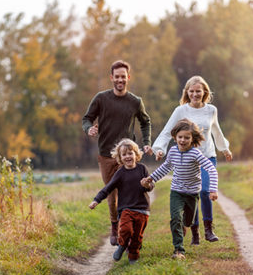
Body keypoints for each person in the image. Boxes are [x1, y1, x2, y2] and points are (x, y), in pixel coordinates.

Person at [152, 76, 232, 245]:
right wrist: (159, 149)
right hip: (188, 158)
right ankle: (195, 232)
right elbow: (168, 131)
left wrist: (224, 148)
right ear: (187, 92)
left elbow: (216, 131)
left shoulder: (211, 110)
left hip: (207, 155)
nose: (195, 94)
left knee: (204, 191)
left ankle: (209, 229)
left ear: (204, 92)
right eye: (192, 91)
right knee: (192, 193)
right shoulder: (181, 110)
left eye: (198, 91)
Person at [82, 60, 153, 246]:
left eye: (123, 76)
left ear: (128, 78)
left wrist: (146, 143)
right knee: (111, 194)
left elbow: (145, 122)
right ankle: (115, 225)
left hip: (127, 156)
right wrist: (89, 128)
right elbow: (87, 118)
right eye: (117, 76)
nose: (120, 79)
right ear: (111, 77)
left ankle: (127, 226)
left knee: (129, 192)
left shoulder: (135, 101)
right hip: (106, 154)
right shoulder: (101, 98)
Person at [142, 119, 218, 260]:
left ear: (192, 138)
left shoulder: (195, 154)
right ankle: (179, 250)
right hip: (176, 191)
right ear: (175, 137)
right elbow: (166, 167)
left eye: (187, 137)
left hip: (192, 193)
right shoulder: (172, 151)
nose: (183, 140)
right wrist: (151, 178)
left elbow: (211, 169)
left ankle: (188, 228)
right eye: (180, 137)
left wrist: (212, 189)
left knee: (187, 222)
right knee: (175, 218)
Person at [89, 139, 154, 264]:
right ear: (119, 157)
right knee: (126, 230)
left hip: (143, 209)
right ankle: (123, 245)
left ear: (136, 154)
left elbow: (151, 186)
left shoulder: (142, 169)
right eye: (124, 154)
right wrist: (96, 200)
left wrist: (147, 185)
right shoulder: (120, 173)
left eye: (130, 153)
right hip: (126, 209)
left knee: (137, 237)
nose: (127, 156)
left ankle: (133, 258)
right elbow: (108, 188)